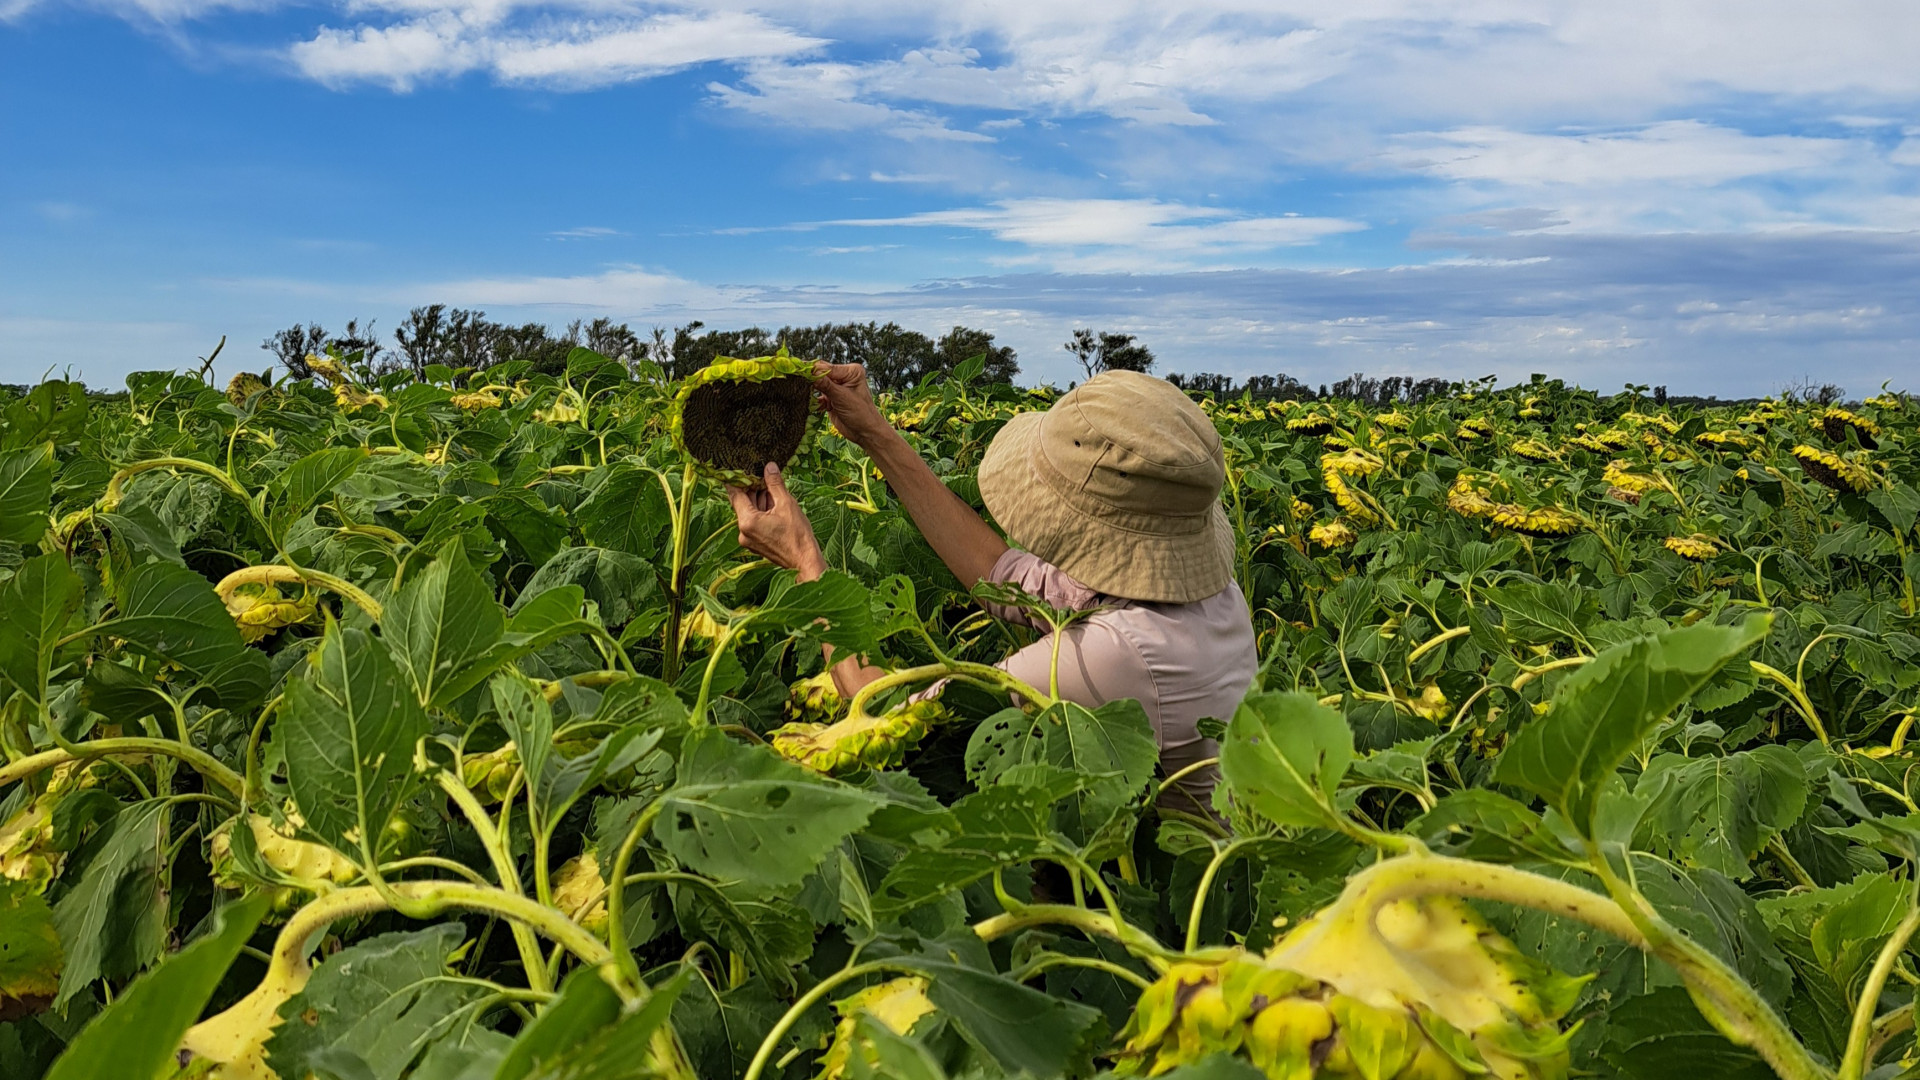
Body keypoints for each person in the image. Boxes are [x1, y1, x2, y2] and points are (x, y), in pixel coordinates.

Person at [726, 363, 1256, 814]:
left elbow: (890, 719)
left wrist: (806, 563)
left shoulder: (1121, 653)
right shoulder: (1205, 593)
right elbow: (1002, 574)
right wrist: (875, 435)